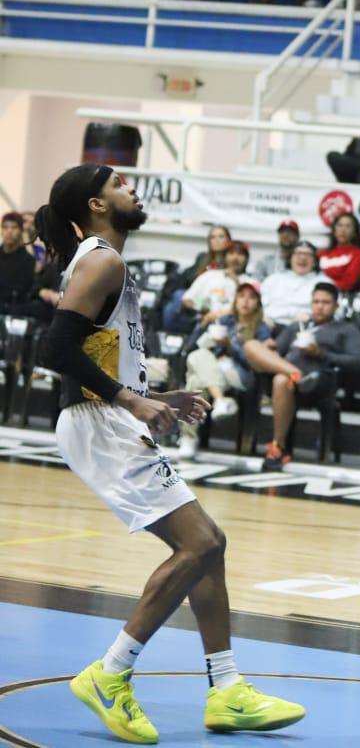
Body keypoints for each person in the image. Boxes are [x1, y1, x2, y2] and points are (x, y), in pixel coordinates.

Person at [33, 164, 304, 742]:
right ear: (97, 205)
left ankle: (227, 689)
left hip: (104, 414)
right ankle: (111, 674)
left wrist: (151, 395)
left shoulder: (104, 258)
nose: (132, 189)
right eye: (119, 185)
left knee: (209, 546)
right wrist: (130, 401)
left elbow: (93, 352)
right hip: (97, 423)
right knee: (200, 542)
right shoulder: (102, 258)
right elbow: (53, 347)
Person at [181, 280, 307, 459]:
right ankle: (219, 400)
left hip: (240, 373)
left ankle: (189, 437)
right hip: (215, 370)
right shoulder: (224, 320)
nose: (245, 301)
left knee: (197, 370)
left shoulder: (262, 329)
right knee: (197, 363)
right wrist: (203, 324)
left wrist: (230, 346)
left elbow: (253, 363)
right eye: (241, 296)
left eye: (251, 297)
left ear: (258, 303)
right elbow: (190, 347)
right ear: (235, 300)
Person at [264, 282, 360, 470]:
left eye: (326, 302)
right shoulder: (298, 326)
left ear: (336, 306)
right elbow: (277, 348)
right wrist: (269, 347)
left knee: (281, 380)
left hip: (320, 382)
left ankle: (278, 446)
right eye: (316, 302)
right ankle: (292, 374)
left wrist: (321, 354)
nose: (319, 306)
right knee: (253, 348)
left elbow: (359, 361)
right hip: (288, 377)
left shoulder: (345, 330)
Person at [181, 240, 251, 325]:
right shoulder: (210, 275)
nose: (235, 258)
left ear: (246, 259)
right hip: (201, 320)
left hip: (232, 323)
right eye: (231, 253)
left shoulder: (250, 282)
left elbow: (250, 309)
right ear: (225, 257)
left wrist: (236, 281)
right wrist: (201, 309)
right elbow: (188, 298)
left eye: (240, 254)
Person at [260, 242, 323, 329]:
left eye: (308, 255)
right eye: (298, 253)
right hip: (269, 326)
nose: (302, 257)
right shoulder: (273, 280)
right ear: (290, 258)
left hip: (305, 328)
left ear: (315, 261)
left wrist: (311, 317)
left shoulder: (323, 283)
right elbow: (258, 305)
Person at [318, 211, 360, 292]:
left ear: (354, 232)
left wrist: (326, 288)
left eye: (348, 226)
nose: (343, 230)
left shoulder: (357, 254)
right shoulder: (323, 253)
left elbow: (349, 282)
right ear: (334, 230)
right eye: (340, 225)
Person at [0, 211, 36, 306]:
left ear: (21, 230)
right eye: (5, 227)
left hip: (13, 312)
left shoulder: (28, 260)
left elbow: (23, 291)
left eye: (14, 227)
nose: (9, 231)